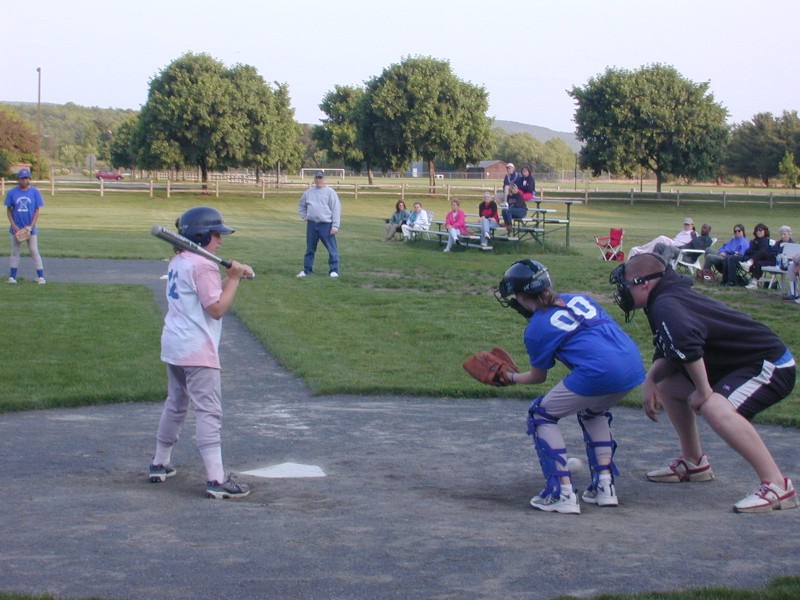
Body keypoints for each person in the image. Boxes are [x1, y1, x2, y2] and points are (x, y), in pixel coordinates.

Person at [610, 253, 798, 513]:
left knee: (714, 407)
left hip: (769, 364)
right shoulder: (661, 299)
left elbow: (688, 347)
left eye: (627, 284)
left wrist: (703, 390)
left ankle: (778, 486)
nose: (623, 291)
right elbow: (670, 349)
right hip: (740, 365)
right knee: (669, 387)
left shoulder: (666, 303)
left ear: (645, 283)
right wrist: (652, 379)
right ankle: (694, 462)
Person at [495, 260, 646, 514]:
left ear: (521, 297)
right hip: (632, 364)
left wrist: (510, 377)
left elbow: (537, 377)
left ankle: (562, 493)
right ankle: (604, 487)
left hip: (599, 371)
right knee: (592, 412)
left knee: (541, 414)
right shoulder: (579, 299)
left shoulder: (536, 327)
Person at [149, 206, 255, 500]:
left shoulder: (180, 261)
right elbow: (217, 309)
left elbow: (204, 295)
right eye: (217, 234)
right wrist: (231, 278)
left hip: (175, 346)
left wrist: (233, 279)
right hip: (197, 350)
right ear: (203, 235)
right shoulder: (204, 265)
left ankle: (160, 463)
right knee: (209, 411)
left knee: (176, 403)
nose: (220, 240)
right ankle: (216, 480)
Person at [297, 171, 341, 278]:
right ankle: (307, 270)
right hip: (312, 225)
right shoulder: (308, 193)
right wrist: (304, 216)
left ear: (324, 179)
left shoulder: (330, 192)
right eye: (316, 178)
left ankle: (333, 270)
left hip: (326, 225)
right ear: (314, 179)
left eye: (320, 178)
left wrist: (335, 226)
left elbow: (336, 209)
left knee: (332, 249)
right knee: (310, 249)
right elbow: (301, 205)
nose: (318, 180)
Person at [5, 168, 46, 284]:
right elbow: (9, 210)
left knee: (34, 250)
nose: (24, 180)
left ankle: (41, 277)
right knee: (15, 251)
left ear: (29, 179)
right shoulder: (12, 192)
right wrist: (13, 226)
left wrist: (31, 226)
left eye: (26, 178)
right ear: (19, 179)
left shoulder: (35, 192)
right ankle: (12, 277)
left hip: (30, 228)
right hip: (16, 228)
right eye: (22, 178)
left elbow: (37, 210)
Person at [628, 217, 696, 258]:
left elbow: (685, 244)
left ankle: (641, 251)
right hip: (674, 244)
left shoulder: (692, 234)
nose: (686, 226)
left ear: (692, 225)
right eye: (685, 224)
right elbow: (677, 239)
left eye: (688, 225)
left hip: (677, 248)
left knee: (661, 238)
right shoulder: (683, 232)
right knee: (658, 243)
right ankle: (643, 251)